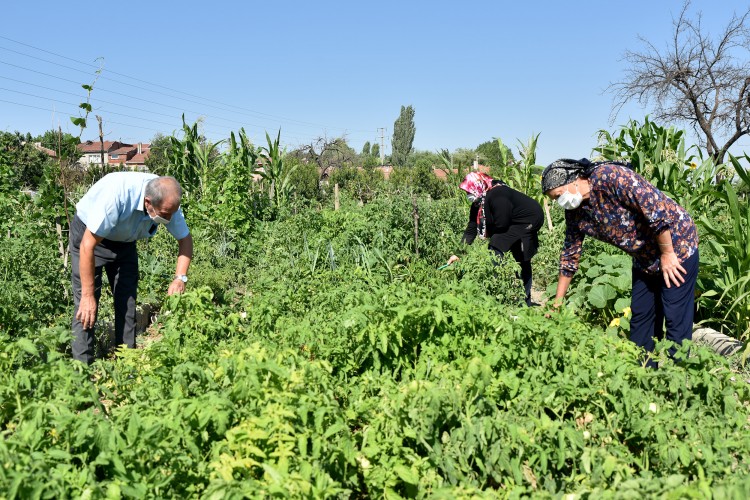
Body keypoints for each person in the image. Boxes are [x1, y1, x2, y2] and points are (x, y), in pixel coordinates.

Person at [541, 158, 699, 366]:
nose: (559, 202)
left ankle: (676, 379)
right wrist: (558, 302)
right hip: (644, 258)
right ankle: (642, 377)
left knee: (675, 317)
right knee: (641, 318)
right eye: (555, 199)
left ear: (575, 180)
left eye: (558, 195)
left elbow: (656, 210)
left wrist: (668, 253)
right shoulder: (576, 212)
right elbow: (570, 253)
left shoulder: (610, 177)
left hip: (676, 247)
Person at [70, 172, 193, 364]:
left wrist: (180, 277)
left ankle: (126, 365)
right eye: (164, 215)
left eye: (171, 214)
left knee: (127, 303)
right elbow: (88, 245)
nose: (168, 219)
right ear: (148, 202)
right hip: (90, 237)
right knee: (86, 308)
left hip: (125, 242)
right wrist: (87, 295)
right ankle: (81, 374)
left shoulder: (167, 200)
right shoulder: (116, 196)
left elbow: (184, 239)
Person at [447, 172, 544, 306]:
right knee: (501, 246)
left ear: (478, 186)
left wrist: (490, 236)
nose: (468, 195)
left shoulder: (497, 194)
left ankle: (520, 301)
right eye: (467, 192)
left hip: (529, 219)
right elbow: (471, 228)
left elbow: (502, 223)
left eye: (469, 191)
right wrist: (457, 253)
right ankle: (498, 293)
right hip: (514, 221)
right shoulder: (478, 202)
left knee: (509, 251)